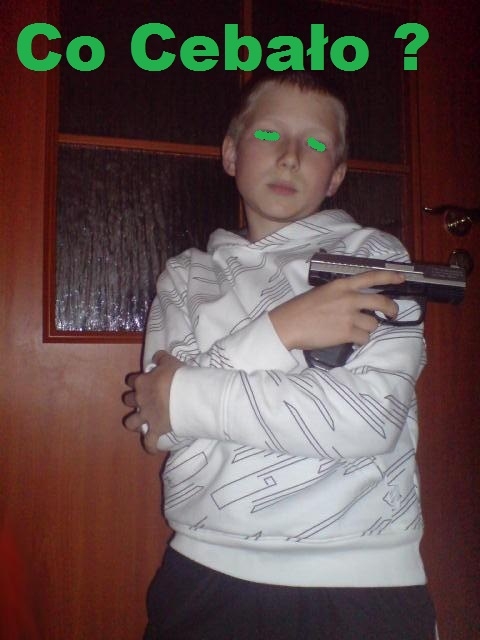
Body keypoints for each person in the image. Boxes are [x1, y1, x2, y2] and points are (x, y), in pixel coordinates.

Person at [123, 71, 436, 639]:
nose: (291, 156)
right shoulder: (186, 276)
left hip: (361, 578)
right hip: (205, 567)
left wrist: (188, 395)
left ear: (335, 175)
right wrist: (282, 330)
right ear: (230, 153)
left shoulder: (375, 258)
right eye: (269, 133)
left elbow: (368, 418)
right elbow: (158, 424)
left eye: (315, 143)